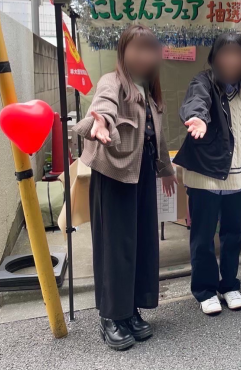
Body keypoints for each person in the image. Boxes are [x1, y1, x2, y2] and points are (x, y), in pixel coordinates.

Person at [73, 25, 177, 350]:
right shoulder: (112, 81)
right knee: (115, 246)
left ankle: (130, 310)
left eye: (150, 49)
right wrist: (100, 122)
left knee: (141, 243)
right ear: (123, 51)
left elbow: (157, 138)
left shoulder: (149, 91)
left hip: (142, 173)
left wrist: (166, 170)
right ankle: (110, 316)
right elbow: (103, 105)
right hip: (115, 174)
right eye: (137, 48)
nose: (144, 55)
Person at [173, 33, 241, 316]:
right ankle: (205, 290)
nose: (231, 60)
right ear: (214, 59)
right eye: (225, 54)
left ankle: (230, 285)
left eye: (237, 54)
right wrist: (197, 117)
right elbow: (195, 101)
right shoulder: (203, 82)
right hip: (205, 174)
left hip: (237, 176)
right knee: (202, 236)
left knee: (232, 235)